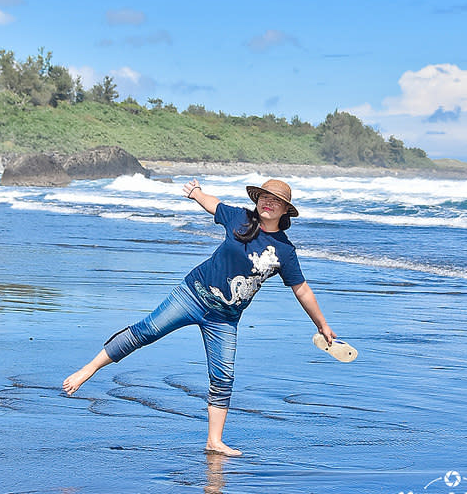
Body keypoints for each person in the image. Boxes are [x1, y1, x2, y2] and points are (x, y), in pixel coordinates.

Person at [63, 178, 336, 456]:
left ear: (285, 210)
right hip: (192, 295)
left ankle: (214, 442)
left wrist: (321, 324)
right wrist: (196, 193)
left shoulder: (284, 251)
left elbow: (301, 289)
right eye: (265, 197)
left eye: (276, 201)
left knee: (223, 376)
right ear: (257, 199)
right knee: (147, 331)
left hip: (225, 319)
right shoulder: (239, 218)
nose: (268, 203)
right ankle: (89, 369)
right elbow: (214, 205)